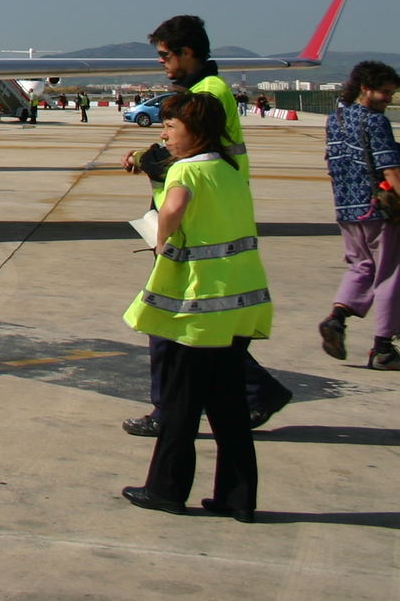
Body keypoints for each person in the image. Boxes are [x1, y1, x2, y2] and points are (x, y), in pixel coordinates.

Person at [119, 14, 290, 436]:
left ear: (186, 53)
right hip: (207, 208)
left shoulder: (208, 92)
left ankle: (171, 411)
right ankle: (254, 393)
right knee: (198, 319)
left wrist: (147, 161)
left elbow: (193, 151)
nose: (161, 63)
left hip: (196, 216)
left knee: (169, 317)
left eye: (164, 55)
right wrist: (149, 154)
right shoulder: (201, 90)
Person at [120, 91, 267, 521]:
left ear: (195, 133)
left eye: (171, 128)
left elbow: (175, 207)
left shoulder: (185, 170)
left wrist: (163, 239)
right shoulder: (231, 169)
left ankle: (166, 488)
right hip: (242, 301)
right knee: (229, 406)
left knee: (182, 402)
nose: (164, 134)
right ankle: (237, 498)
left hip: (200, 305)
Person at [319, 61, 400, 370]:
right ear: (365, 88)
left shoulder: (335, 119)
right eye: (385, 93)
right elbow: (392, 171)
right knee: (393, 274)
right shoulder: (375, 122)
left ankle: (337, 318)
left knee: (361, 268)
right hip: (378, 209)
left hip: (346, 210)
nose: (388, 99)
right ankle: (383, 348)